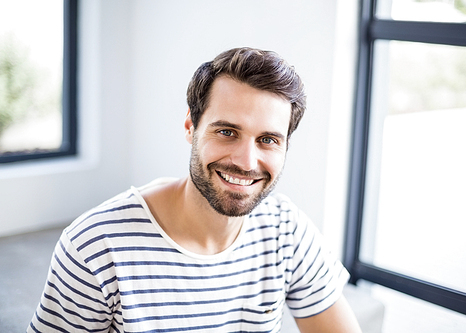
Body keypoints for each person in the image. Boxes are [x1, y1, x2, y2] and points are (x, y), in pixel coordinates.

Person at [28, 47, 362, 333]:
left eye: (268, 140)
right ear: (191, 126)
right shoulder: (95, 246)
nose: (247, 162)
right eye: (227, 132)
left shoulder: (285, 229)